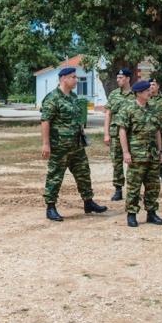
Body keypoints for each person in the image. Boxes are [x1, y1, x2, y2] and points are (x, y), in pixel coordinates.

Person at [41, 67, 108, 221]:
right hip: (59, 146)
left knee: (84, 173)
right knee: (55, 176)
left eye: (76, 77)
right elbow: (45, 121)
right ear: (64, 78)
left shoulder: (73, 97)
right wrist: (46, 144)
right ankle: (50, 207)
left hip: (76, 145)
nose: (76, 80)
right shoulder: (52, 98)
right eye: (73, 77)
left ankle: (88, 202)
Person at [119, 80, 162, 227]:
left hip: (152, 154)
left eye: (149, 90)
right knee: (134, 185)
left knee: (153, 185)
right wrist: (126, 152)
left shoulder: (153, 108)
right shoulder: (128, 109)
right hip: (136, 154)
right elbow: (122, 131)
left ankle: (151, 213)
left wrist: (160, 150)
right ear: (138, 93)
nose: (149, 92)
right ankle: (131, 214)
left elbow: (157, 131)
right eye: (146, 91)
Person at [103, 68, 135, 201]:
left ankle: (133, 189)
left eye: (121, 78)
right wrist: (106, 134)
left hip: (132, 134)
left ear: (128, 79)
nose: (118, 80)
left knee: (132, 162)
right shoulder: (113, 94)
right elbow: (108, 114)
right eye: (117, 78)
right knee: (116, 162)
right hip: (115, 134)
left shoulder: (136, 94)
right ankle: (118, 189)